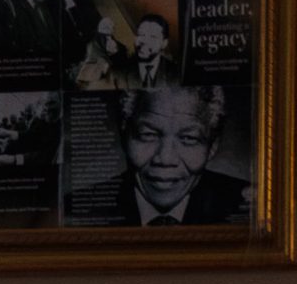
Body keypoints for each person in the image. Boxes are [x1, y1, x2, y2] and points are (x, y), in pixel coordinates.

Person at [97, 84, 248, 224]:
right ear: (124, 135)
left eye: (189, 138)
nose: (165, 159)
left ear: (212, 146)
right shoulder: (81, 213)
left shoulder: (251, 205)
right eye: (148, 134)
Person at [120, 13, 178, 89]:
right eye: (141, 34)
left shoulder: (176, 73)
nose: (144, 41)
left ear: (164, 43)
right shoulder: (120, 71)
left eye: (153, 37)